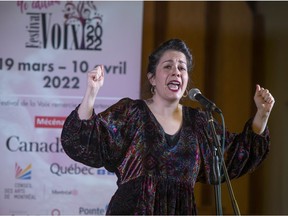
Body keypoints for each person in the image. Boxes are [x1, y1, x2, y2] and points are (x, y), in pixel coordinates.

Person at [61, 38, 275, 215]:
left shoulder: (200, 123)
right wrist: (91, 93)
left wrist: (262, 114)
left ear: (187, 81)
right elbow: (84, 140)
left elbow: (236, 154)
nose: (176, 71)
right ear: (152, 78)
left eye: (182, 68)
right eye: (168, 66)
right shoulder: (132, 112)